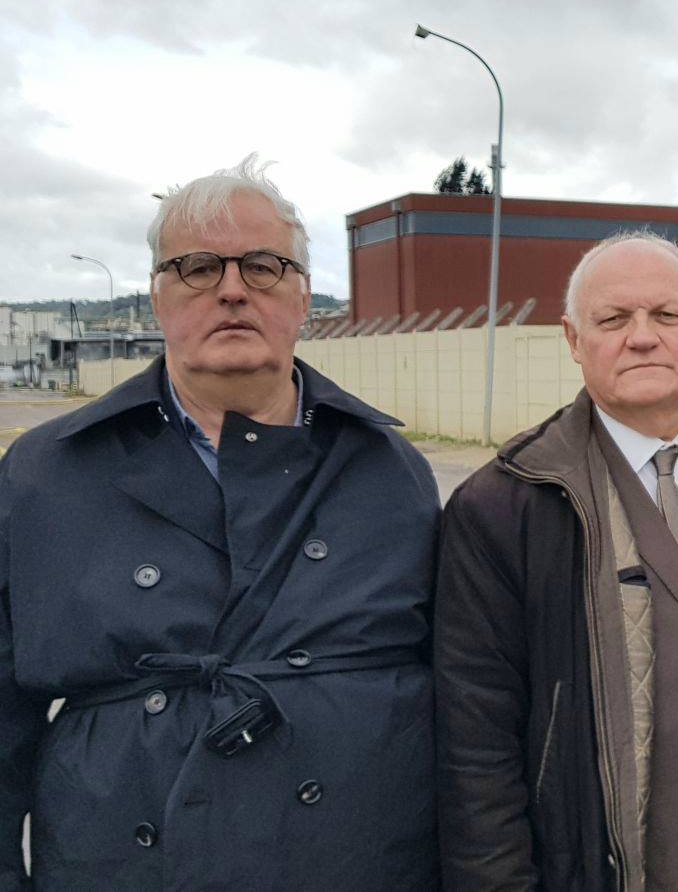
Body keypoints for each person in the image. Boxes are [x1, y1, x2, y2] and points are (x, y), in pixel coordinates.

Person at [0, 155, 438, 890]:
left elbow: (461, 702)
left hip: (354, 859)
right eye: (198, 267)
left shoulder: (389, 469)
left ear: (303, 296)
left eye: (263, 266)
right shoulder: (48, 472)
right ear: (157, 297)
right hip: (125, 860)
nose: (233, 289)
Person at [434, 232, 678, 890]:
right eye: (613, 319)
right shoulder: (503, 508)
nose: (642, 338)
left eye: (666, 315)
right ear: (573, 339)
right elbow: (475, 746)